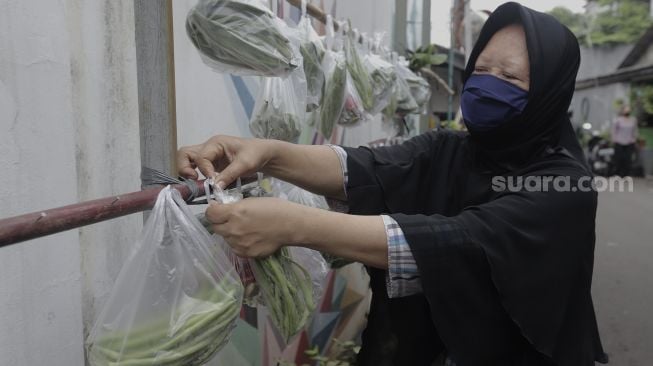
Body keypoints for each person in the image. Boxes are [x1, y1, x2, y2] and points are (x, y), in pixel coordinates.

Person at [177, 2, 607, 365]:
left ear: (549, 92)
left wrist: (295, 225)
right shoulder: (451, 150)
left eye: (509, 78)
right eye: (481, 69)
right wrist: (265, 154)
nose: (487, 84)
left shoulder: (565, 186)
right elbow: (366, 167)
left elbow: (467, 243)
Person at [611, 105, 639, 177]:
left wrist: (635, 139)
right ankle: (617, 174)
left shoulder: (633, 120)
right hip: (619, 142)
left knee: (628, 159)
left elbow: (635, 130)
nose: (627, 111)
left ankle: (626, 174)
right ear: (623, 111)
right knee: (619, 158)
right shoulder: (618, 120)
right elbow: (614, 131)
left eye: (628, 110)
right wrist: (614, 139)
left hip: (629, 142)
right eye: (626, 110)